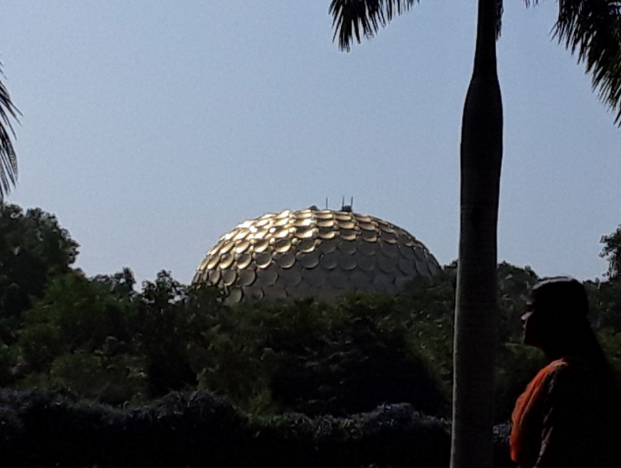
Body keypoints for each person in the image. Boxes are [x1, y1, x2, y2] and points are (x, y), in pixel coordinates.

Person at [510, 277, 620, 468]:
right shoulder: (568, 372)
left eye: (531, 309)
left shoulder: (566, 377)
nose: (524, 318)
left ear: (553, 316)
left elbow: (554, 454)